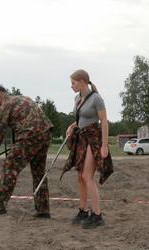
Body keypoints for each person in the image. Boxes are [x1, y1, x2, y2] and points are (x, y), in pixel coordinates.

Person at [0, 86, 53, 218]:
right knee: (38, 172)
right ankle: (43, 210)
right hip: (45, 133)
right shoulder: (23, 98)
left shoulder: (5, 106)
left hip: (28, 136)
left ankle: (0, 206)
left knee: (10, 166)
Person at [62, 69, 113, 229]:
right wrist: (72, 126)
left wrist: (104, 146)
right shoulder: (77, 98)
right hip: (81, 139)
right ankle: (83, 211)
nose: (71, 86)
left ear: (83, 81)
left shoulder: (96, 98)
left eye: (73, 83)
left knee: (87, 175)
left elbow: (104, 121)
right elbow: (80, 119)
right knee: (80, 176)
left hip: (94, 139)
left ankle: (97, 215)